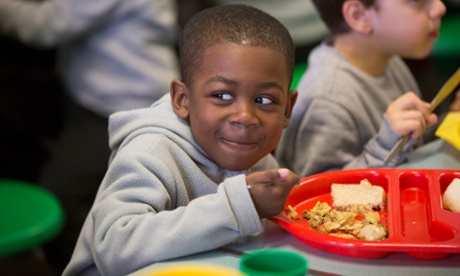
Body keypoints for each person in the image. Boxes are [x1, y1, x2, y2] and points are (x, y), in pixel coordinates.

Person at [63, 4, 299, 275]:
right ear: (182, 99)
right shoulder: (151, 153)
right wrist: (239, 207)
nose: (245, 117)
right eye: (222, 95)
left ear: (287, 109)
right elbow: (115, 250)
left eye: (264, 100)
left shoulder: (260, 159)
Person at [0, 0, 179, 273]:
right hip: (93, 96)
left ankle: (102, 267)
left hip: (123, 105)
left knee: (62, 201)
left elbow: (44, 26)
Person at [275, 0, 451, 177]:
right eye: (419, 2)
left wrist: (448, 119)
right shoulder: (328, 99)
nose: (440, 7)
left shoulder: (387, 59)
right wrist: (384, 146)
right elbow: (320, 191)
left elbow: (411, 150)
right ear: (358, 16)